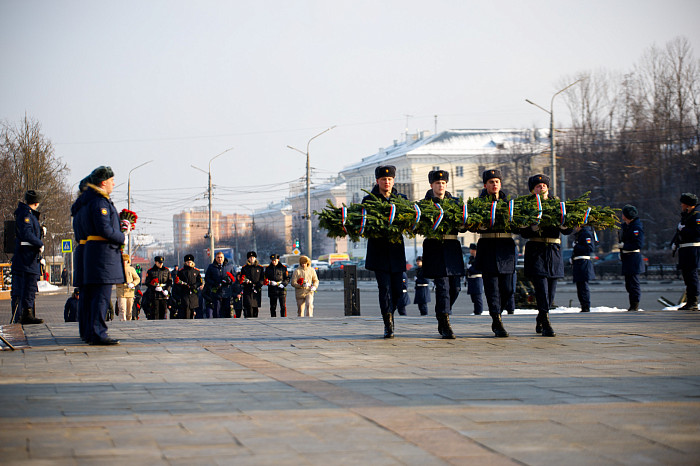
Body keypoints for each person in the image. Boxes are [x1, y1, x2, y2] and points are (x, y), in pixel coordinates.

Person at [519, 174, 573, 336]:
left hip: (553, 250)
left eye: (543, 185)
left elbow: (568, 229)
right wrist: (532, 228)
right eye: (537, 186)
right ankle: (547, 322)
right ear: (532, 190)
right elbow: (521, 231)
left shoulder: (557, 205)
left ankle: (541, 316)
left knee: (551, 289)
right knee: (541, 288)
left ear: (548, 188)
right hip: (536, 249)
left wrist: (564, 225)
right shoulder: (527, 206)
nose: (541, 187)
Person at [79, 166, 127, 345]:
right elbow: (104, 229)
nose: (114, 183)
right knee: (101, 297)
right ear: (103, 182)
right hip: (102, 255)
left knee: (95, 297)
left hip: (98, 253)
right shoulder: (100, 203)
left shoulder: (95, 201)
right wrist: (121, 236)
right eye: (112, 180)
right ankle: (98, 332)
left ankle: (93, 332)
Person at [362, 165, 407, 338]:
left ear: (393, 181)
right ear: (377, 181)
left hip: (396, 250)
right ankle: (388, 324)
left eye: (389, 179)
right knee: (385, 289)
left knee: (397, 290)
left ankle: (390, 313)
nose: (386, 182)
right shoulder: (369, 200)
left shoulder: (401, 199)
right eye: (383, 179)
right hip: (378, 251)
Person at [421, 170, 464, 339]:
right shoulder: (424, 204)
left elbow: (464, 224)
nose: (441, 186)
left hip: (452, 246)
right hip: (434, 246)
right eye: (438, 183)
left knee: (456, 287)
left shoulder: (455, 203)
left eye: (443, 183)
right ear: (431, 185)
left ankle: (442, 312)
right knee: (443, 286)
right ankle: (445, 320)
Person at [476, 169, 516, 337]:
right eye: (491, 182)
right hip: (487, 248)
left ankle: (498, 312)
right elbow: (469, 223)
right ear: (485, 185)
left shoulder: (510, 204)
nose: (494, 185)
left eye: (497, 182)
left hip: (505, 249)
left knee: (507, 289)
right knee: (492, 289)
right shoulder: (478, 204)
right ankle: (496, 320)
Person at [10, 190, 45, 325]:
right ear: (36, 202)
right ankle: (25, 314)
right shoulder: (26, 215)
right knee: (27, 287)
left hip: (29, 257)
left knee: (30, 287)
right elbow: (27, 234)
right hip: (26, 257)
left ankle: (27, 312)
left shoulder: (29, 215)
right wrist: (39, 243)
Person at [674, 193, 700, 310]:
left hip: (692, 249)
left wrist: (684, 230)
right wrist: (675, 243)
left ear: (688, 205)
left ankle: (693, 301)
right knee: (687, 276)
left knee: (691, 275)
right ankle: (690, 300)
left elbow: (697, 232)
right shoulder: (686, 216)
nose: (681, 206)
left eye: (683, 204)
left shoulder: (696, 216)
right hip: (685, 249)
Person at [620, 204, 645, 312]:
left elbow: (638, 244)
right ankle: (632, 304)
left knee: (633, 283)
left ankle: (634, 305)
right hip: (627, 257)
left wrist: (624, 246)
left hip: (633, 257)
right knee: (629, 283)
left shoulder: (636, 227)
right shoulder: (626, 226)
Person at [203, 251, 235, 318]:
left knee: (226, 311)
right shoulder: (211, 267)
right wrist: (214, 284)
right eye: (218, 257)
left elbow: (233, 277)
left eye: (221, 257)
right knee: (217, 312)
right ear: (215, 258)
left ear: (223, 258)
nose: (220, 259)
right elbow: (207, 278)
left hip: (226, 292)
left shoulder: (229, 266)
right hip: (216, 293)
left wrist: (229, 281)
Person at [571, 226, 596, 312]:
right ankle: (583, 305)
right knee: (580, 286)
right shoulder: (580, 234)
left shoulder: (586, 234)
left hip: (583, 262)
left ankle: (586, 306)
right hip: (579, 262)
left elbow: (589, 248)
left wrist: (577, 246)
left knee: (583, 286)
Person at [175, 254, 203, 319]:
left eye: (190, 262)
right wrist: (183, 286)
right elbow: (177, 283)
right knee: (186, 309)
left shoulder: (196, 271)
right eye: (187, 262)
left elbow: (200, 281)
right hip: (185, 294)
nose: (189, 264)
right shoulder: (181, 271)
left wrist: (195, 285)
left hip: (193, 294)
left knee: (192, 310)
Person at [115, 254, 141, 320]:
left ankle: (128, 323)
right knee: (122, 309)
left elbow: (137, 278)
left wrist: (133, 284)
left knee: (129, 312)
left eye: (125, 261)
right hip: (121, 292)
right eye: (123, 261)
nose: (124, 262)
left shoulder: (131, 269)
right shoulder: (117, 269)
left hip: (129, 292)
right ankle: (122, 322)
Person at [240, 251, 264, 318]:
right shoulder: (245, 268)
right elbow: (241, 278)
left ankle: (255, 319)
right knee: (249, 305)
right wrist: (246, 282)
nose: (252, 259)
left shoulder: (260, 268)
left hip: (256, 289)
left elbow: (262, 278)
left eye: (253, 257)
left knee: (255, 307)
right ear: (248, 259)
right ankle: (248, 318)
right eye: (250, 258)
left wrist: (259, 284)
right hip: (248, 290)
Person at [466, 243, 484, 315]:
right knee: (473, 296)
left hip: (477, 278)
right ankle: (476, 310)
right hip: (471, 279)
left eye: (472, 250)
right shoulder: (471, 258)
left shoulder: (479, 259)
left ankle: (479, 311)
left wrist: (470, 268)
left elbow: (479, 269)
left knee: (477, 296)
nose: (471, 251)